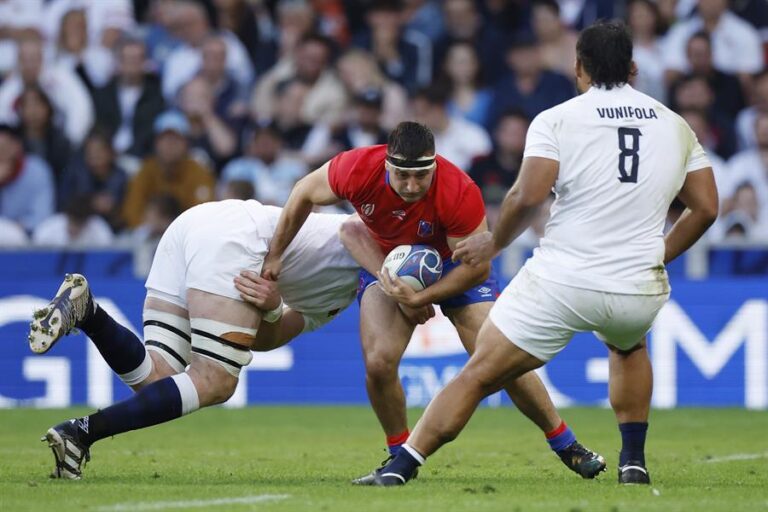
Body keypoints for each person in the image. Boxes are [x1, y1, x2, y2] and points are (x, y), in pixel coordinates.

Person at [365, 20, 718, 487]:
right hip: (637, 286)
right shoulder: (675, 125)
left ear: (579, 67)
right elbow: (706, 208)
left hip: (562, 280)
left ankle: (402, 466)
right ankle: (633, 462)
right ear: (633, 68)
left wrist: (494, 241)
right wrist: (658, 254)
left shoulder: (557, 119)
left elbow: (527, 195)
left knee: (479, 373)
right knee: (629, 347)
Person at [260, 122, 606, 484]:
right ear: (387, 165)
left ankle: (566, 444)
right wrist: (276, 254)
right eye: (403, 176)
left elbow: (476, 267)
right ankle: (399, 456)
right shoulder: (356, 168)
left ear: (434, 164)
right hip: (389, 263)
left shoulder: (458, 190)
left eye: (421, 176)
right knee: (378, 362)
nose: (412, 186)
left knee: (499, 358)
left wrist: (421, 298)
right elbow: (303, 192)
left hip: (454, 265)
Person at [29, 199, 360, 479]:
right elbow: (351, 222)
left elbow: (266, 338)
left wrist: (273, 309)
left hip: (194, 225)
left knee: (158, 378)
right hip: (237, 236)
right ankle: (80, 432)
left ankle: (88, 313)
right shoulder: (363, 235)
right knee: (216, 380)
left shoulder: (341, 295)